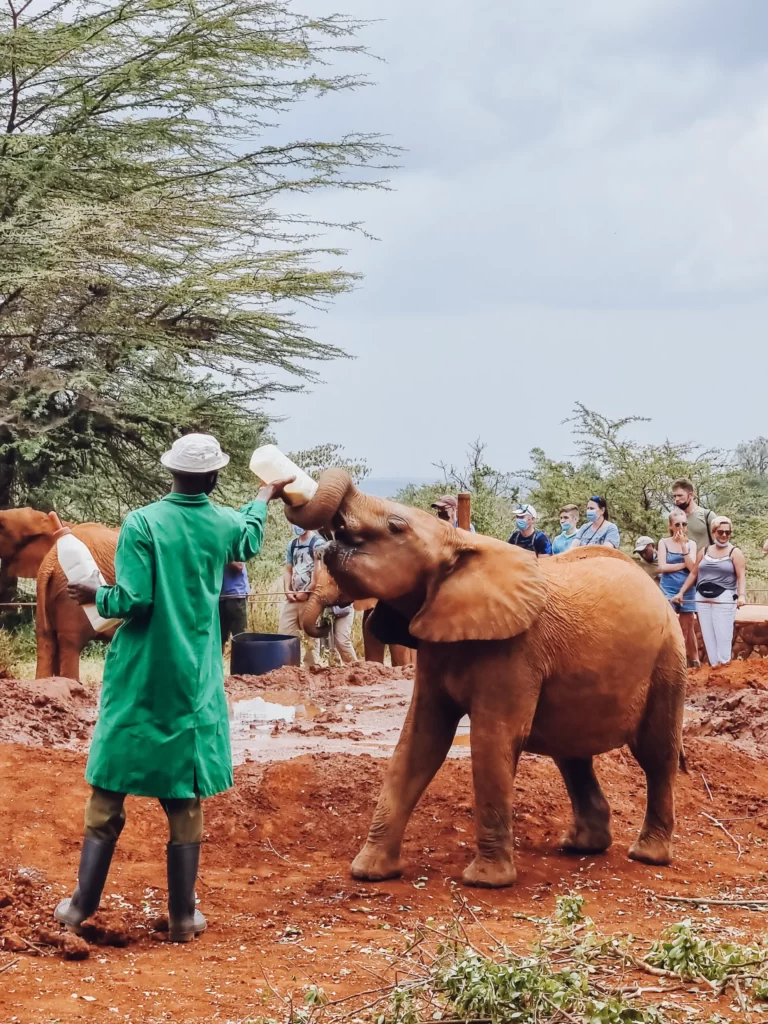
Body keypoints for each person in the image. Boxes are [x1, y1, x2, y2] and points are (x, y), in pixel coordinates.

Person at [55, 433, 291, 942]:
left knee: (109, 785)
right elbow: (249, 538)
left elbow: (133, 599)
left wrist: (97, 591)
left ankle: (79, 907)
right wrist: (264, 496)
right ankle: (183, 916)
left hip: (140, 673)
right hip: (194, 677)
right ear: (212, 478)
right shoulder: (223, 523)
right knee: (184, 795)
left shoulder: (143, 522)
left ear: (171, 473)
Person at [675, 515, 747, 667]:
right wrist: (681, 592)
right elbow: (694, 573)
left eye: (727, 532)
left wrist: (741, 595)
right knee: (708, 636)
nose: (724, 535)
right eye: (720, 532)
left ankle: (724, 668)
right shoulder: (704, 551)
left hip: (724, 597)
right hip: (702, 597)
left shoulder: (735, 552)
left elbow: (741, 576)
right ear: (713, 532)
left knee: (723, 635)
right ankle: (715, 669)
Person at [278, 525, 325, 666]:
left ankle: (311, 669)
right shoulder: (292, 545)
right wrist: (287, 590)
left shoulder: (318, 543)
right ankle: (289, 668)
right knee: (284, 634)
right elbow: (288, 568)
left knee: (310, 637)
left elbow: (319, 572)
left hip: (310, 598)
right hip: (292, 598)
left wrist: (306, 591)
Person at [657, 512, 699, 667]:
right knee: (669, 624)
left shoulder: (691, 544)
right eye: (677, 524)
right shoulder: (664, 542)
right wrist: (683, 565)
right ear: (670, 526)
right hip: (668, 588)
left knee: (687, 627)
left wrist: (683, 546)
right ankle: (673, 661)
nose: (681, 527)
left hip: (687, 587)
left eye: (684, 524)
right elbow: (662, 567)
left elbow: (692, 568)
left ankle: (694, 660)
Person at [670, 478, 716, 556]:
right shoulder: (675, 519)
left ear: (691, 495)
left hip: (705, 564)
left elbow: (720, 544)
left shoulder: (707, 515)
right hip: (683, 565)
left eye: (680, 495)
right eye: (675, 496)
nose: (677, 499)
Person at [219, 560, 250, 652]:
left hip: (236, 596)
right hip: (220, 596)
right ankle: (219, 666)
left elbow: (239, 566)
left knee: (240, 638)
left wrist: (222, 553)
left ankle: (243, 665)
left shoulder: (233, 546)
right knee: (219, 638)